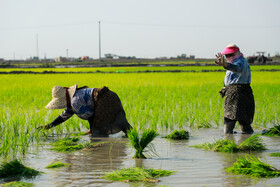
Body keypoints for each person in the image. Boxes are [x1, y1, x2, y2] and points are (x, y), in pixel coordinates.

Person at [38, 85, 132, 136]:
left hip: (104, 101)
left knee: (97, 133)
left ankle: (102, 153)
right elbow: (63, 117)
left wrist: (92, 130)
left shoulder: (75, 102)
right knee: (120, 121)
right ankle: (133, 137)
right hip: (111, 96)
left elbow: (90, 115)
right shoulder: (73, 98)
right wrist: (48, 126)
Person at [215, 44, 255, 134]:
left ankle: (228, 139)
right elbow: (230, 78)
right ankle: (247, 141)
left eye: (230, 55)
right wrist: (225, 87)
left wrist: (225, 64)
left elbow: (237, 68)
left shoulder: (240, 62)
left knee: (229, 119)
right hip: (240, 93)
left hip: (237, 94)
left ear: (237, 53)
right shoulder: (233, 63)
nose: (227, 57)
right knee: (244, 121)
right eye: (226, 55)